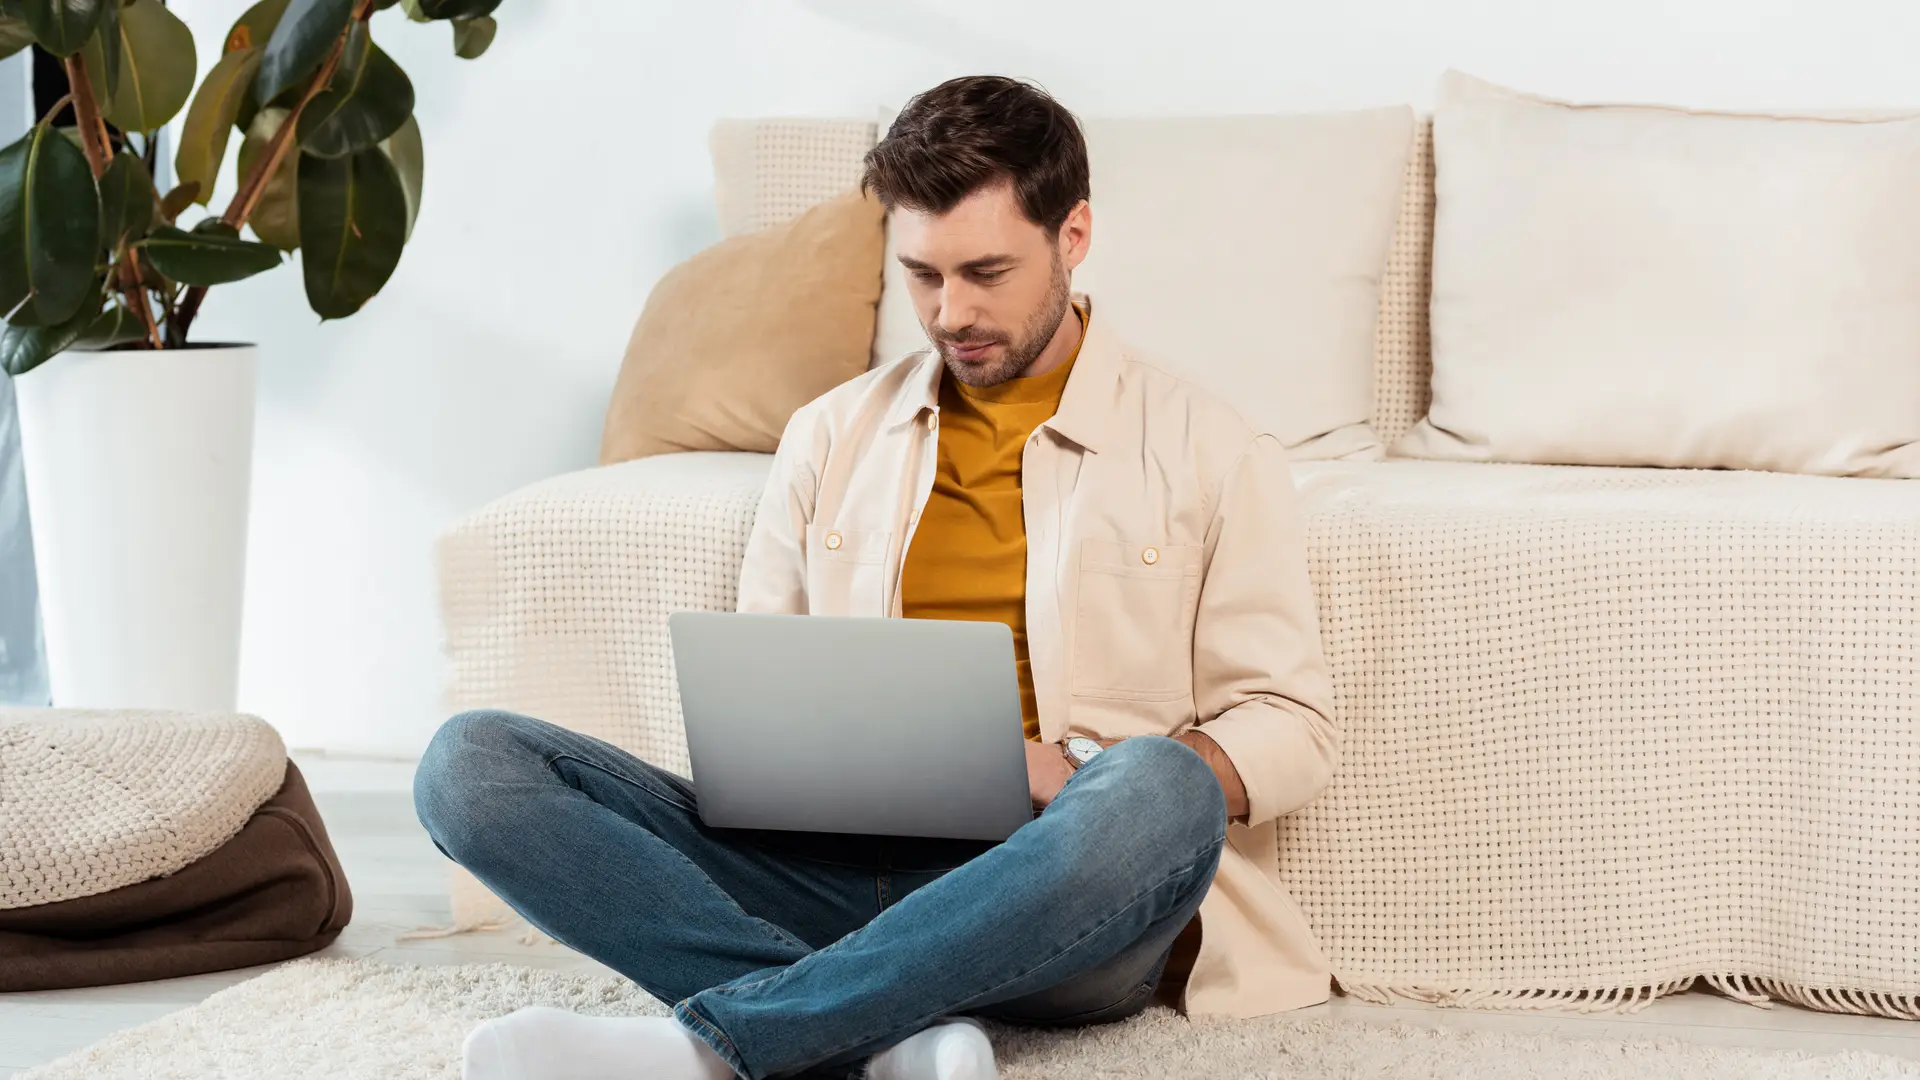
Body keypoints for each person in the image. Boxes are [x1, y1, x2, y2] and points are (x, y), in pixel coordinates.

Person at [414, 74, 1337, 1080]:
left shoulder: (1212, 446)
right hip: (825, 875)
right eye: (924, 276)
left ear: (1073, 236)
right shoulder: (828, 435)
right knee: (470, 766)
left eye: (987, 271)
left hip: (1061, 903)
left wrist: (1068, 766)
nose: (953, 311)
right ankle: (880, 1032)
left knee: (1162, 788)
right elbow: (765, 693)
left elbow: (1290, 722)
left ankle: (725, 1043)